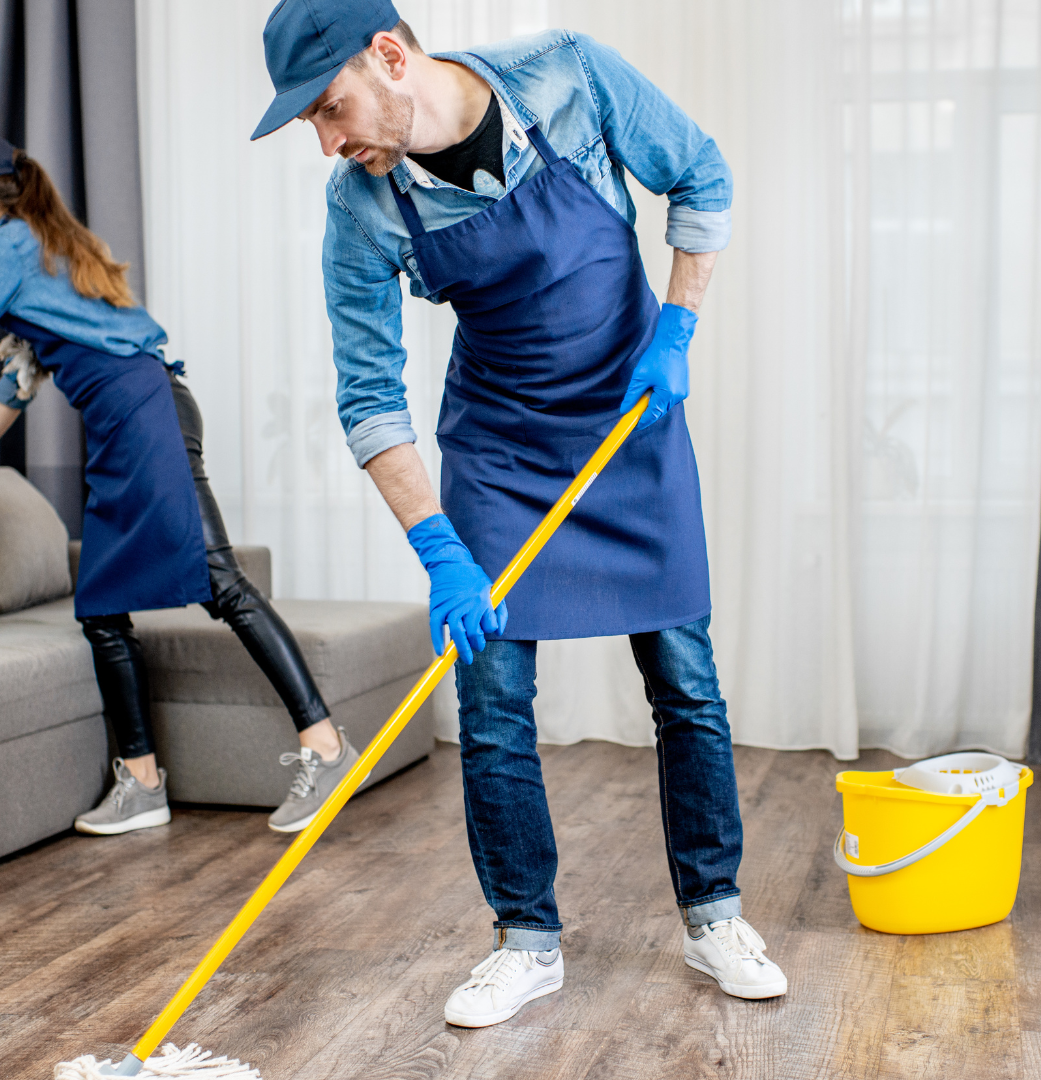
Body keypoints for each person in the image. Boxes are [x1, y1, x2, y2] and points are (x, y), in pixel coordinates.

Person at [252, 0, 788, 1027]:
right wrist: (440, 547)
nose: (328, 141)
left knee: (684, 674)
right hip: (501, 450)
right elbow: (369, 395)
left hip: (631, 419)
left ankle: (713, 913)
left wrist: (675, 328)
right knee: (494, 697)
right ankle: (526, 939)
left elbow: (702, 171)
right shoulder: (361, 205)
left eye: (330, 109)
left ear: (392, 57)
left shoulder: (568, 78)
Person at [0, 128, 353, 837]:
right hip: (127, 423)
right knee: (101, 606)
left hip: (144, 415)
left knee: (219, 580)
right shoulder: (38, 251)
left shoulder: (9, 247)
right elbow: (20, 379)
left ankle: (326, 747)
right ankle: (142, 782)